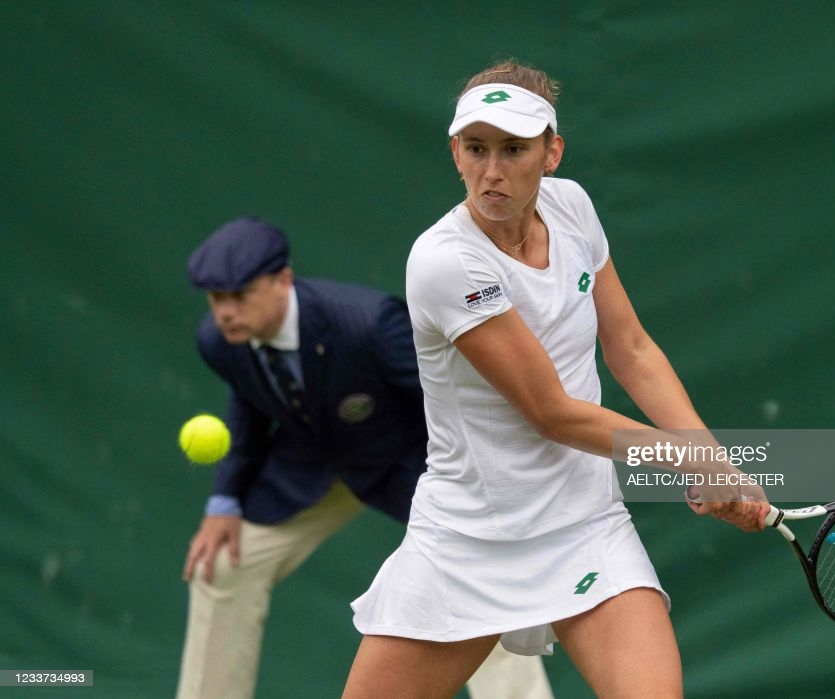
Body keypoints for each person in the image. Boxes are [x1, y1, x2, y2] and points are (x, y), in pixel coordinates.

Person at [342, 61, 770, 698]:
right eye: (477, 148)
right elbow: (552, 413)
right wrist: (690, 462)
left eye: (514, 149)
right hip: (469, 540)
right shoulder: (445, 261)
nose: (493, 171)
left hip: (585, 524)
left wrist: (710, 458)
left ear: (551, 152)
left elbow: (630, 348)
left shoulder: (572, 207)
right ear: (454, 152)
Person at [176, 216, 554, 699]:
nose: (224, 312)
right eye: (215, 299)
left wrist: (484, 488)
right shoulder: (218, 342)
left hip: (410, 465)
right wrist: (223, 503)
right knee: (222, 565)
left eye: (238, 296)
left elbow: (449, 399)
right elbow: (248, 411)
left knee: (480, 587)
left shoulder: (369, 323)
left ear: (283, 281)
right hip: (308, 471)